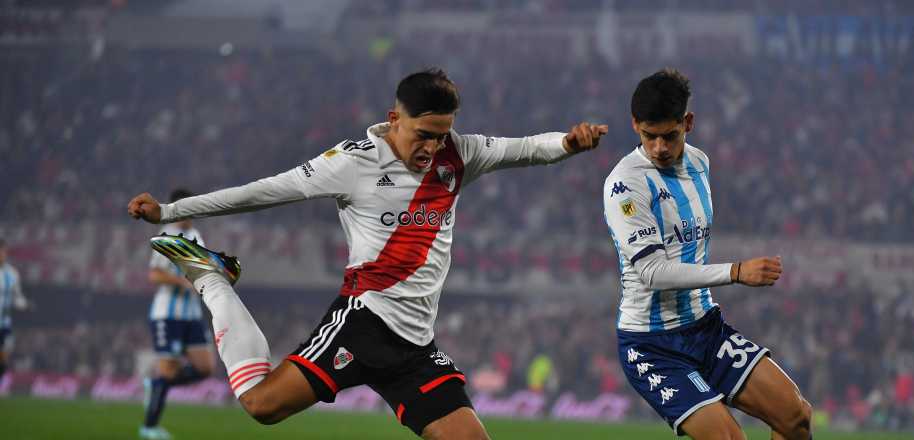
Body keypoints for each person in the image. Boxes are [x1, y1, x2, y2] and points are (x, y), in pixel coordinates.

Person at [127, 68, 605, 439]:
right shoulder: (351, 163)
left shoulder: (458, 154)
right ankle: (210, 277)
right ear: (394, 118)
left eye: (442, 134)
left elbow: (523, 149)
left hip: (416, 346)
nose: (432, 146)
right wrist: (171, 211)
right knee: (261, 405)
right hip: (364, 320)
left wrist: (566, 143)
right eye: (423, 133)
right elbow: (264, 191)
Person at [602, 69, 812, 439]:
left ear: (688, 122)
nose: (659, 148)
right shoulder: (625, 184)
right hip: (651, 345)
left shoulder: (700, 163)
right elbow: (651, 271)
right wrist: (735, 271)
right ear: (634, 124)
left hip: (705, 328)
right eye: (649, 136)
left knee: (795, 416)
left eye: (670, 135)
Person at [139, 189, 216, 440]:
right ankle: (149, 427)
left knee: (205, 368)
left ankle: (156, 385)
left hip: (191, 314)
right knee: (169, 370)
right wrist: (181, 282)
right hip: (168, 315)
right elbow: (154, 274)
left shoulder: (195, 236)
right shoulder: (166, 235)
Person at [0, 238, 30, 383]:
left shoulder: (11, 273)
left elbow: (17, 297)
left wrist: (24, 304)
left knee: (4, 359)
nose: (2, 254)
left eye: (3, 251)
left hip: (4, 323)